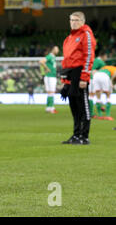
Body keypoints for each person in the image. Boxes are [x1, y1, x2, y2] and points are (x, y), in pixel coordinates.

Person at [60, 12, 96, 145]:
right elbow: (66, 60)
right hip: (70, 74)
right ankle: (76, 135)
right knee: (74, 106)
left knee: (83, 105)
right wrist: (65, 81)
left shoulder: (86, 35)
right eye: (71, 20)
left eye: (76, 20)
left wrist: (84, 77)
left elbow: (88, 56)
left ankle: (84, 136)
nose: (73, 22)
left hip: (80, 72)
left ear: (82, 21)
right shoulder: (69, 38)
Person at [39, 46, 59, 114]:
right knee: (52, 92)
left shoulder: (53, 57)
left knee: (49, 93)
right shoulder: (50, 56)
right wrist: (46, 68)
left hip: (49, 76)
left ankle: (48, 108)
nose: (58, 50)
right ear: (53, 49)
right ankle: (52, 108)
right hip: (50, 76)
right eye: (56, 49)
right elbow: (41, 61)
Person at [88, 51, 108, 118]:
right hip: (93, 79)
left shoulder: (98, 61)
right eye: (106, 56)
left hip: (94, 79)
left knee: (95, 94)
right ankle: (91, 113)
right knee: (91, 94)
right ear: (103, 56)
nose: (106, 58)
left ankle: (99, 107)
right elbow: (93, 69)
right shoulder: (98, 61)